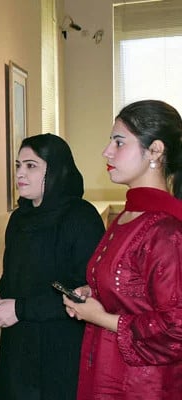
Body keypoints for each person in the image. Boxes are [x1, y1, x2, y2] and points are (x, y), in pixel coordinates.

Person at [63, 100, 182, 399]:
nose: (106, 151)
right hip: (106, 370)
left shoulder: (166, 230)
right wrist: (95, 292)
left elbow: (177, 327)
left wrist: (101, 317)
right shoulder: (130, 215)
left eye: (119, 142)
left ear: (155, 150)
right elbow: (134, 290)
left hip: (141, 386)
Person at [0, 133, 106, 400]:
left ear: (56, 170)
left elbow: (85, 291)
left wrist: (19, 308)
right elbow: (14, 272)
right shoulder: (19, 218)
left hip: (61, 346)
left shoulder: (81, 217)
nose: (20, 173)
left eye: (31, 165)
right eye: (18, 165)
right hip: (20, 343)